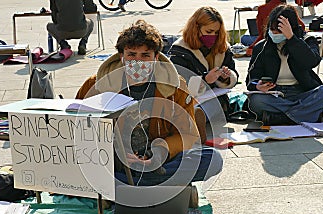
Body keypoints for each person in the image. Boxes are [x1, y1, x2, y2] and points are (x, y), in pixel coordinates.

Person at [76, 20, 222, 188]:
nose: (138, 61)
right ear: (121, 57)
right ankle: (148, 186)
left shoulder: (176, 87)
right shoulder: (96, 85)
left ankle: (123, 187)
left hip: (159, 162)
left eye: (145, 56)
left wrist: (160, 152)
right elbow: (75, 128)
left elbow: (190, 136)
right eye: (131, 55)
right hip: (113, 160)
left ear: (156, 58)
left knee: (212, 159)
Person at [246, 5, 323, 125]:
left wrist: (292, 39)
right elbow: (252, 78)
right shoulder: (262, 47)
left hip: (302, 92)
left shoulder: (307, 40)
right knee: (256, 101)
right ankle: (304, 115)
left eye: (279, 30)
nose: (274, 33)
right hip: (275, 94)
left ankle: (280, 118)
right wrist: (258, 86)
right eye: (272, 29)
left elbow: (311, 61)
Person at [168, 6, 241, 121]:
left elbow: (233, 72)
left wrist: (226, 77)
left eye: (217, 32)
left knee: (211, 107)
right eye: (209, 31)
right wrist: (204, 80)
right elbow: (177, 84)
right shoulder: (181, 50)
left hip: (216, 98)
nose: (213, 36)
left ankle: (193, 119)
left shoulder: (223, 47)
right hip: (187, 100)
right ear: (196, 28)